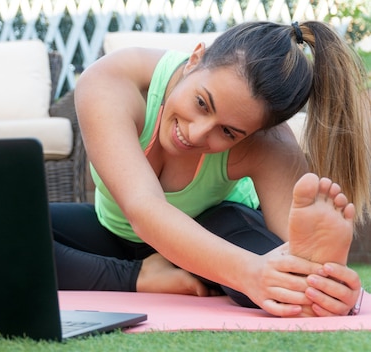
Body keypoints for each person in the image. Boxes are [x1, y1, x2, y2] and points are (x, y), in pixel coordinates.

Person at [51, 20, 370, 317]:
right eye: (202, 103)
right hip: (117, 232)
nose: (196, 133)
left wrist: (329, 284)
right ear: (195, 58)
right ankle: (142, 276)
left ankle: (278, 279)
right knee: (7, 232)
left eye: (228, 132)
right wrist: (249, 272)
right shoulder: (113, 81)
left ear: (255, 132)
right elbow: (143, 209)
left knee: (274, 275)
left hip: (217, 231)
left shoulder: (269, 143)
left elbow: (285, 258)